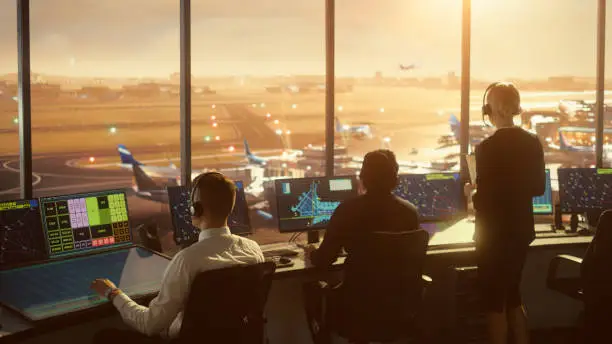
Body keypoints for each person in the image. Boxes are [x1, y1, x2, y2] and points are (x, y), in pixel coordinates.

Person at [90, 172, 264, 342]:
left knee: (104, 337)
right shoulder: (253, 250)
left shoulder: (187, 260)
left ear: (196, 209)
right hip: (233, 339)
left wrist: (113, 293)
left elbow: (149, 325)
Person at [302, 149, 419, 343]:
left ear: (363, 178)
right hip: (398, 306)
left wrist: (312, 252)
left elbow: (325, 260)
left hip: (358, 308)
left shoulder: (348, 210)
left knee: (310, 289)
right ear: (395, 179)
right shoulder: (410, 211)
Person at [467, 82, 545, 344]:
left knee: (494, 304)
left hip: (494, 238)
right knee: (513, 298)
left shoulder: (486, 149)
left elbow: (484, 202)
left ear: (491, 110)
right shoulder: (533, 142)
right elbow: (537, 187)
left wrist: (473, 193)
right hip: (521, 233)